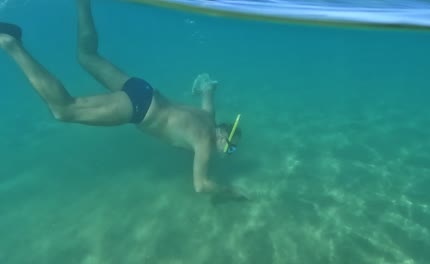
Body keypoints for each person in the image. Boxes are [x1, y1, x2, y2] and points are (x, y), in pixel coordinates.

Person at [0, 0, 246, 199]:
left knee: (87, 55)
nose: (230, 152)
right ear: (222, 135)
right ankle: (11, 43)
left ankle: (82, 4)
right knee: (64, 110)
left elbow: (207, 92)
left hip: (145, 90)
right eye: (231, 147)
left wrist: (208, 86)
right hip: (141, 108)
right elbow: (201, 185)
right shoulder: (205, 143)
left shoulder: (209, 117)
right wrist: (231, 191)